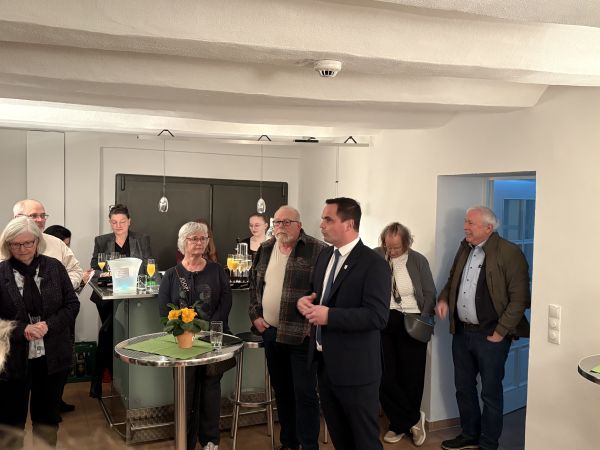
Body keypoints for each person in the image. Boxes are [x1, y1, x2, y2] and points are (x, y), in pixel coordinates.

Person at [297, 197, 390, 450]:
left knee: (364, 441)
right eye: (322, 219)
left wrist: (330, 316)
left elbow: (377, 316)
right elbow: (318, 295)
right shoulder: (326, 255)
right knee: (341, 439)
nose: (321, 225)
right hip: (325, 365)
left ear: (349, 224)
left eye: (328, 219)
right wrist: (304, 302)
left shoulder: (373, 264)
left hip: (357, 370)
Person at [435, 206, 530, 450]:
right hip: (462, 333)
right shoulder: (464, 248)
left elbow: (520, 298)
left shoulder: (510, 253)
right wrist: (444, 299)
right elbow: (452, 280)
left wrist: (500, 332)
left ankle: (488, 443)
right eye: (465, 221)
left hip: (491, 336)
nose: (465, 227)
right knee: (463, 389)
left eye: (470, 223)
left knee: (490, 393)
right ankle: (469, 435)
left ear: (488, 228)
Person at [249, 206, 327, 450]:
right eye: (277, 222)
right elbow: (254, 284)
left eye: (286, 222)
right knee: (282, 392)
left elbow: (327, 291)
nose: (280, 227)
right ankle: (289, 443)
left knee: (305, 394)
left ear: (298, 225)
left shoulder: (318, 250)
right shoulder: (265, 248)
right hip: (271, 332)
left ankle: (308, 445)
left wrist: (313, 319)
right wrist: (255, 315)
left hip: (302, 335)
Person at [0, 217, 80, 448]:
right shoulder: (1, 273)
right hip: (12, 360)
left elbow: (72, 305)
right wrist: (21, 329)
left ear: (37, 241)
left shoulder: (54, 267)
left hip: (52, 357)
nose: (23, 249)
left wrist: (48, 325)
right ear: (7, 244)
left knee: (47, 421)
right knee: (10, 423)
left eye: (28, 243)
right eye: (16, 244)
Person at [158, 222, 232, 450]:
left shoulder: (217, 271)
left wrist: (208, 330)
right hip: (182, 343)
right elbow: (165, 310)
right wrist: (186, 331)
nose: (199, 242)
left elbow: (225, 302)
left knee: (211, 390)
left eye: (203, 238)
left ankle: (210, 440)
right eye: (194, 238)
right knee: (185, 391)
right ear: (183, 243)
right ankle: (185, 441)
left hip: (212, 342)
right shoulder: (171, 275)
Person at [374, 222, 436, 447]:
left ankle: (399, 424)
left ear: (407, 243)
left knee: (412, 376)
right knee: (384, 376)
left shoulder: (418, 260)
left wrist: (425, 318)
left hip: (412, 320)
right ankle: (410, 420)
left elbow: (429, 293)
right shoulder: (376, 256)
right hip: (384, 320)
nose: (391, 251)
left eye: (396, 247)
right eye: (388, 246)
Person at [89, 204, 152, 398]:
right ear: (110, 222)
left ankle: (102, 380)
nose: (118, 226)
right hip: (108, 295)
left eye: (122, 222)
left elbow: (149, 264)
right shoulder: (102, 240)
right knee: (111, 333)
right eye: (114, 222)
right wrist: (103, 273)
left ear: (129, 221)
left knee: (109, 333)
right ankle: (114, 380)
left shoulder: (141, 239)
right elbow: (94, 267)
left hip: (132, 294)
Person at [11, 200, 83, 290]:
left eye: (42, 216)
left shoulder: (57, 243)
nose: (40, 220)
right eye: (34, 216)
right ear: (17, 218)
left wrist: (62, 287)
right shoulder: (5, 245)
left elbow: (75, 270)